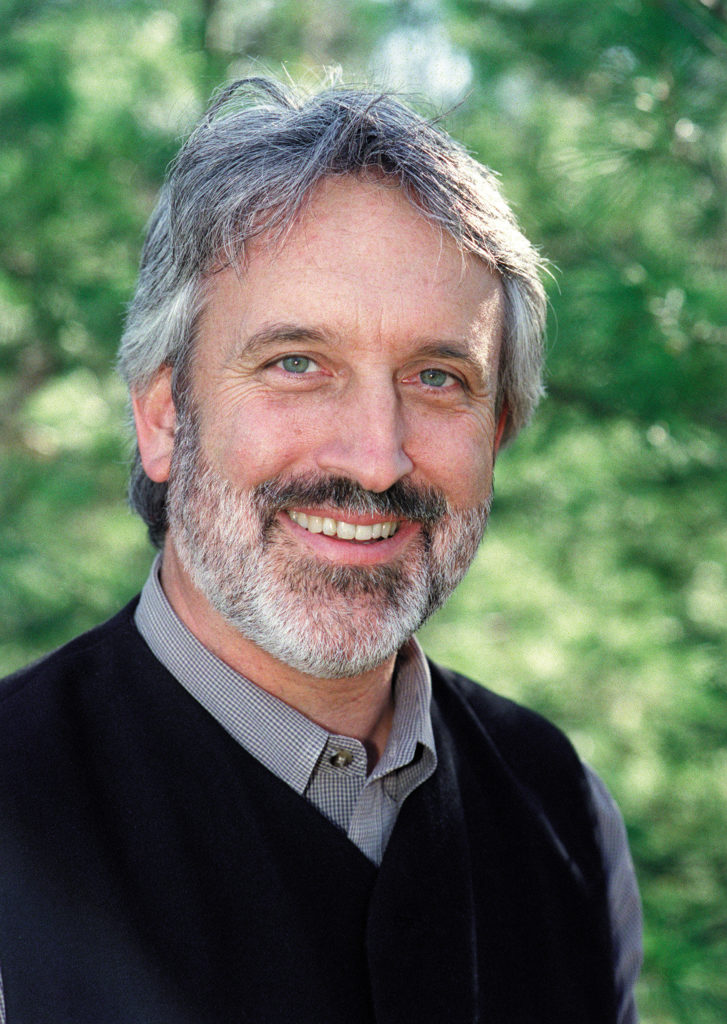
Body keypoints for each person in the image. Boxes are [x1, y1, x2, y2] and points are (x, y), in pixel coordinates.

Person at [0, 76, 642, 1024]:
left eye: (436, 377)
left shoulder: (562, 814)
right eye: (297, 364)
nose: (375, 459)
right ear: (163, 416)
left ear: (497, 430)